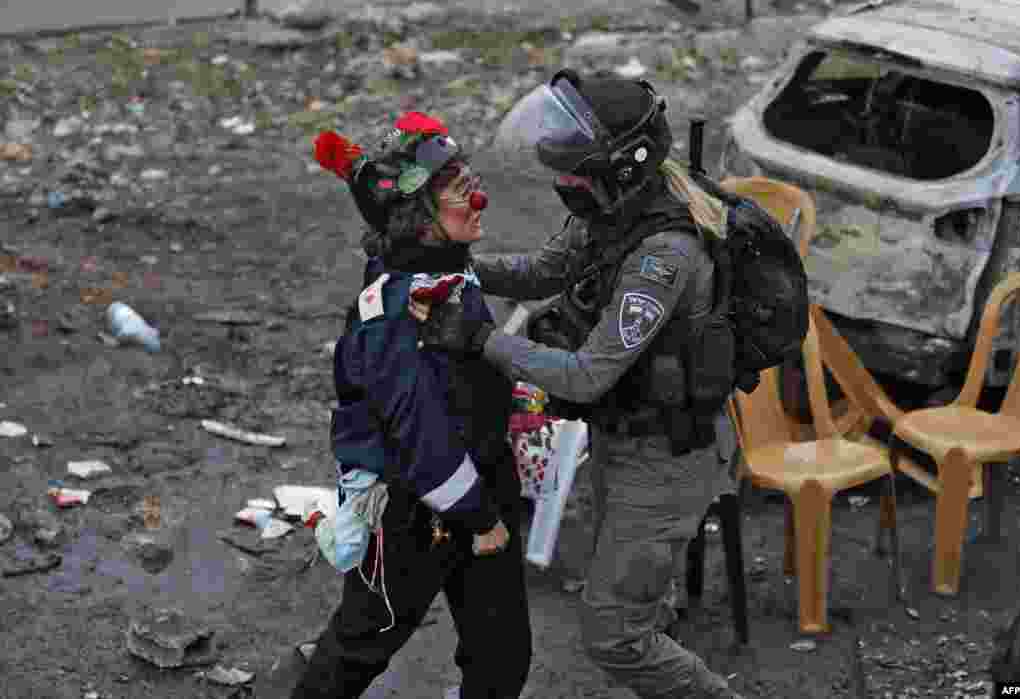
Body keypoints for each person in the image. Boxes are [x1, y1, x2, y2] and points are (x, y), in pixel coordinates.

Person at [411, 70, 745, 699]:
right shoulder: (616, 215)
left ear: (619, 172)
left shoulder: (660, 257)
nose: (564, 186)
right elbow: (545, 270)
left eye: (573, 175)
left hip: (667, 460)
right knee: (628, 600)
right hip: (625, 444)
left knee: (614, 638)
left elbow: (587, 375)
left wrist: (481, 338)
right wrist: (455, 266)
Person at [290, 111, 532, 699]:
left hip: (479, 480)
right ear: (419, 221)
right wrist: (481, 519)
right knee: (362, 642)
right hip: (415, 507)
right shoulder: (395, 311)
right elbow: (419, 433)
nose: (478, 198)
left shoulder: (445, 270)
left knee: (503, 653)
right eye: (457, 191)